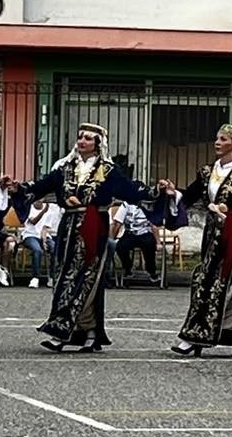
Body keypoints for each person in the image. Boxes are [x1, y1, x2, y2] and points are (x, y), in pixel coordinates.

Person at [7, 122, 144, 354]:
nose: (82, 141)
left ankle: (68, 332)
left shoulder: (109, 171)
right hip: (68, 229)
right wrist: (18, 187)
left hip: (94, 229)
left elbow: (132, 192)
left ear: (99, 144)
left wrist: (161, 194)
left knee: (87, 279)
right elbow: (40, 186)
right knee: (64, 278)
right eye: (80, 137)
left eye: (89, 138)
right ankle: (82, 332)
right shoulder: (65, 168)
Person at [155, 125, 232, 358]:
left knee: (212, 281)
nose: (217, 142)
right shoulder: (208, 172)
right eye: (216, 138)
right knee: (222, 283)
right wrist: (172, 193)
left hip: (231, 235)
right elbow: (188, 197)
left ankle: (196, 336)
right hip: (211, 233)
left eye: (224, 139)